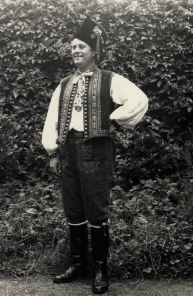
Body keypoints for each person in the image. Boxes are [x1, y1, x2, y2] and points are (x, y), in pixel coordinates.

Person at [42, 18, 148, 294]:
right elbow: (52, 119)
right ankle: (78, 263)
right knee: (73, 207)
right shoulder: (64, 84)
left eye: (81, 46)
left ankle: (101, 268)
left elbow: (139, 99)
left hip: (97, 152)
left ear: (92, 51)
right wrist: (53, 152)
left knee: (96, 209)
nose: (76, 50)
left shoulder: (110, 80)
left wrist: (113, 123)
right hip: (68, 153)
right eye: (73, 47)